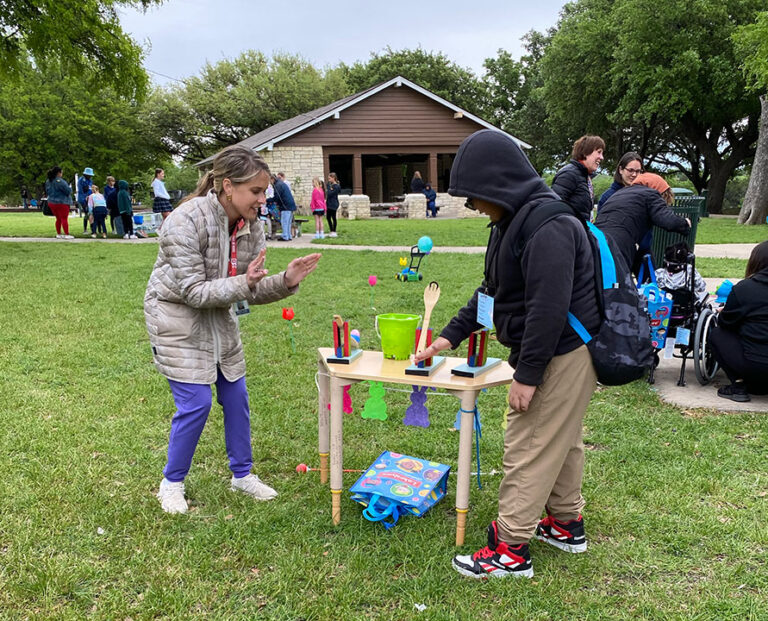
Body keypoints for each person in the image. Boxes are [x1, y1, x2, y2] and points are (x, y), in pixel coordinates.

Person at [414, 129, 600, 579]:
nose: (474, 206)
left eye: (475, 197)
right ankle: (565, 522)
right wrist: (446, 339)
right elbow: (491, 293)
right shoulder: (511, 222)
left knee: (531, 441)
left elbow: (548, 310)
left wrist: (528, 375)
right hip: (558, 348)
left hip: (564, 350)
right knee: (562, 437)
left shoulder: (550, 225)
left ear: (498, 183)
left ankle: (510, 550)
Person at [144, 144, 321, 514]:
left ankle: (242, 476)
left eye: (264, 191)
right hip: (176, 319)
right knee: (197, 404)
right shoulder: (184, 220)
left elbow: (248, 289)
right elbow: (193, 292)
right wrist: (243, 284)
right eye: (256, 191)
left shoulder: (252, 226)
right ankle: (171, 484)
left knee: (236, 397)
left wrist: (286, 280)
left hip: (219, 319)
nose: (262, 199)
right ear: (228, 186)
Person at [594, 173, 690, 274]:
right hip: (619, 243)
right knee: (620, 284)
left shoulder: (620, 193)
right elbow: (667, 220)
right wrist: (684, 223)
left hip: (596, 238)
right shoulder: (651, 194)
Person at [709, 241, 768, 403]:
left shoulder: (745, 289)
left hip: (754, 364)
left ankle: (738, 384)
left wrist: (726, 311)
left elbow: (726, 323)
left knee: (717, 334)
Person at [551, 135, 605, 220]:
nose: (602, 157)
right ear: (585, 152)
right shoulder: (569, 175)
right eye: (599, 152)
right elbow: (554, 207)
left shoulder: (585, 177)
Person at [45, 166, 74, 239]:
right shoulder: (60, 181)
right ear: (58, 173)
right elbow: (68, 191)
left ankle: (59, 233)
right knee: (64, 218)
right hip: (62, 202)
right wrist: (70, 188)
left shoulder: (48, 181)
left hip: (51, 202)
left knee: (58, 218)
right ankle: (67, 234)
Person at [272, 173, 296, 241]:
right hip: (290, 205)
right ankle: (289, 235)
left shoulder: (278, 185)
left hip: (285, 206)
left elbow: (277, 197)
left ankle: (285, 236)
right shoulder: (281, 183)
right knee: (288, 222)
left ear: (272, 179)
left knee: (284, 221)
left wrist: (268, 200)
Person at [78, 167, 94, 234]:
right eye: (89, 175)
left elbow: (91, 189)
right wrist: (85, 198)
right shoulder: (81, 180)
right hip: (83, 199)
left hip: (90, 198)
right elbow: (81, 191)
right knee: (87, 213)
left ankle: (92, 228)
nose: (90, 176)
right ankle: (85, 230)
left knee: (91, 213)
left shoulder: (90, 181)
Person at [325, 172, 340, 237]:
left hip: (333, 203)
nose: (328, 180)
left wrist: (329, 188)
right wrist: (329, 188)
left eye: (329, 178)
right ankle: (331, 230)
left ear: (333, 178)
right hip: (328, 203)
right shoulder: (330, 185)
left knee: (333, 217)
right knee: (328, 217)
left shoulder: (336, 186)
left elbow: (330, 194)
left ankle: (334, 231)